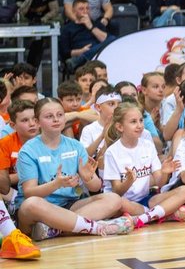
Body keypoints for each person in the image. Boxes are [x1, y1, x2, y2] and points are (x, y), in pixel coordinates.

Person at [15, 98, 133, 244]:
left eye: (60, 115)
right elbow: (29, 192)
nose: (56, 119)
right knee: (31, 204)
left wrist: (88, 178)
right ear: (38, 122)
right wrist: (56, 184)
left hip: (70, 206)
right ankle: (95, 227)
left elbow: (95, 188)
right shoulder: (28, 150)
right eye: (49, 116)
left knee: (114, 199)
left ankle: (56, 229)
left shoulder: (75, 146)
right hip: (41, 208)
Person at [102, 101, 185, 229]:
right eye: (133, 122)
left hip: (146, 200)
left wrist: (165, 173)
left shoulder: (148, 145)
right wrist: (128, 181)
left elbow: (159, 183)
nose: (139, 125)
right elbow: (117, 192)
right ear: (120, 127)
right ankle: (163, 214)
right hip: (125, 203)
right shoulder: (112, 152)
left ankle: (144, 218)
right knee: (119, 203)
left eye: (140, 121)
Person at [15, 0, 60, 67]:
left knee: (58, 19)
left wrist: (44, 18)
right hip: (27, 19)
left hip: (45, 18)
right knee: (20, 19)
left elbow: (55, 9)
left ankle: (57, 54)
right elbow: (22, 12)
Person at [61, 0, 116, 73]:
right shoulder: (67, 28)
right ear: (74, 11)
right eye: (81, 9)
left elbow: (107, 40)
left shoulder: (97, 24)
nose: (85, 11)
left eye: (87, 8)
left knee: (112, 39)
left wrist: (91, 27)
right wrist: (81, 51)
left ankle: (81, 58)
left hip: (100, 56)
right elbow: (65, 52)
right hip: (81, 59)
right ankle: (81, 58)